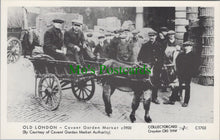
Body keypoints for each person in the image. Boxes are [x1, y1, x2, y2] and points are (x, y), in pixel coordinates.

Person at [163, 41, 199, 107]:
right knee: (176, 85)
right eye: (185, 46)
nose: (186, 47)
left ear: (191, 47)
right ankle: (172, 100)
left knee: (187, 87)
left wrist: (191, 74)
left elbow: (195, 66)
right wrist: (177, 71)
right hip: (180, 73)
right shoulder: (181, 54)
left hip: (188, 74)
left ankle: (186, 102)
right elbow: (177, 62)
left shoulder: (193, 55)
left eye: (188, 46)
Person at [137, 30, 164, 104]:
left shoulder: (159, 45)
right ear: (149, 37)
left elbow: (162, 57)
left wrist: (159, 64)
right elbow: (140, 56)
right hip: (146, 65)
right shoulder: (145, 45)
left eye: (153, 36)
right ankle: (142, 96)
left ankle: (154, 98)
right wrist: (140, 61)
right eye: (150, 36)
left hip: (156, 66)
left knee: (155, 81)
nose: (152, 37)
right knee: (144, 80)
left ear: (156, 36)